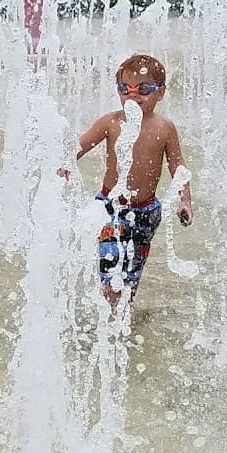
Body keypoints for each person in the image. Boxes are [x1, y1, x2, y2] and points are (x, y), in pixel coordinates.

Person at [62, 53, 193, 308]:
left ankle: (120, 318)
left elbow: (178, 165)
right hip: (111, 207)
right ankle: (108, 310)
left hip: (146, 211)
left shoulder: (165, 128)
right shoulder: (110, 122)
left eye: (143, 89)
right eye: (125, 89)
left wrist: (185, 200)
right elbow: (80, 144)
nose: (133, 96)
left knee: (131, 277)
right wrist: (64, 163)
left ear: (160, 92)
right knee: (111, 272)